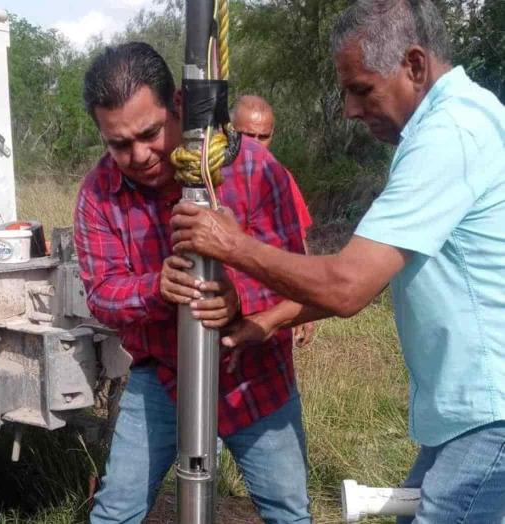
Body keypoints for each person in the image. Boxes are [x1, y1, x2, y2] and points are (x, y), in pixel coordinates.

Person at [171, 1, 505, 522]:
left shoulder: (450, 136)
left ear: (414, 66)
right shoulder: (456, 120)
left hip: (491, 415)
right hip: (468, 414)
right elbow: (370, 274)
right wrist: (271, 319)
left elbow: (347, 285)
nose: (350, 108)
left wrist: (231, 245)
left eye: (361, 88)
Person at [74, 42, 311, 523]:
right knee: (114, 512)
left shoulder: (254, 169)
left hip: (255, 376)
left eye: (150, 133)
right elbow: (101, 294)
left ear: (179, 105)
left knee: (288, 512)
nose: (139, 155)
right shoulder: (99, 193)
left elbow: (296, 274)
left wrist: (240, 300)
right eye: (119, 144)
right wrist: (154, 290)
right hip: (163, 377)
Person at [232, 95, 315, 346]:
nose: (255, 144)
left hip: (268, 308)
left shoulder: (280, 178)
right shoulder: (210, 176)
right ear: (229, 130)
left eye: (262, 136)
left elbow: (298, 243)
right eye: (246, 135)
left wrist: (304, 305)